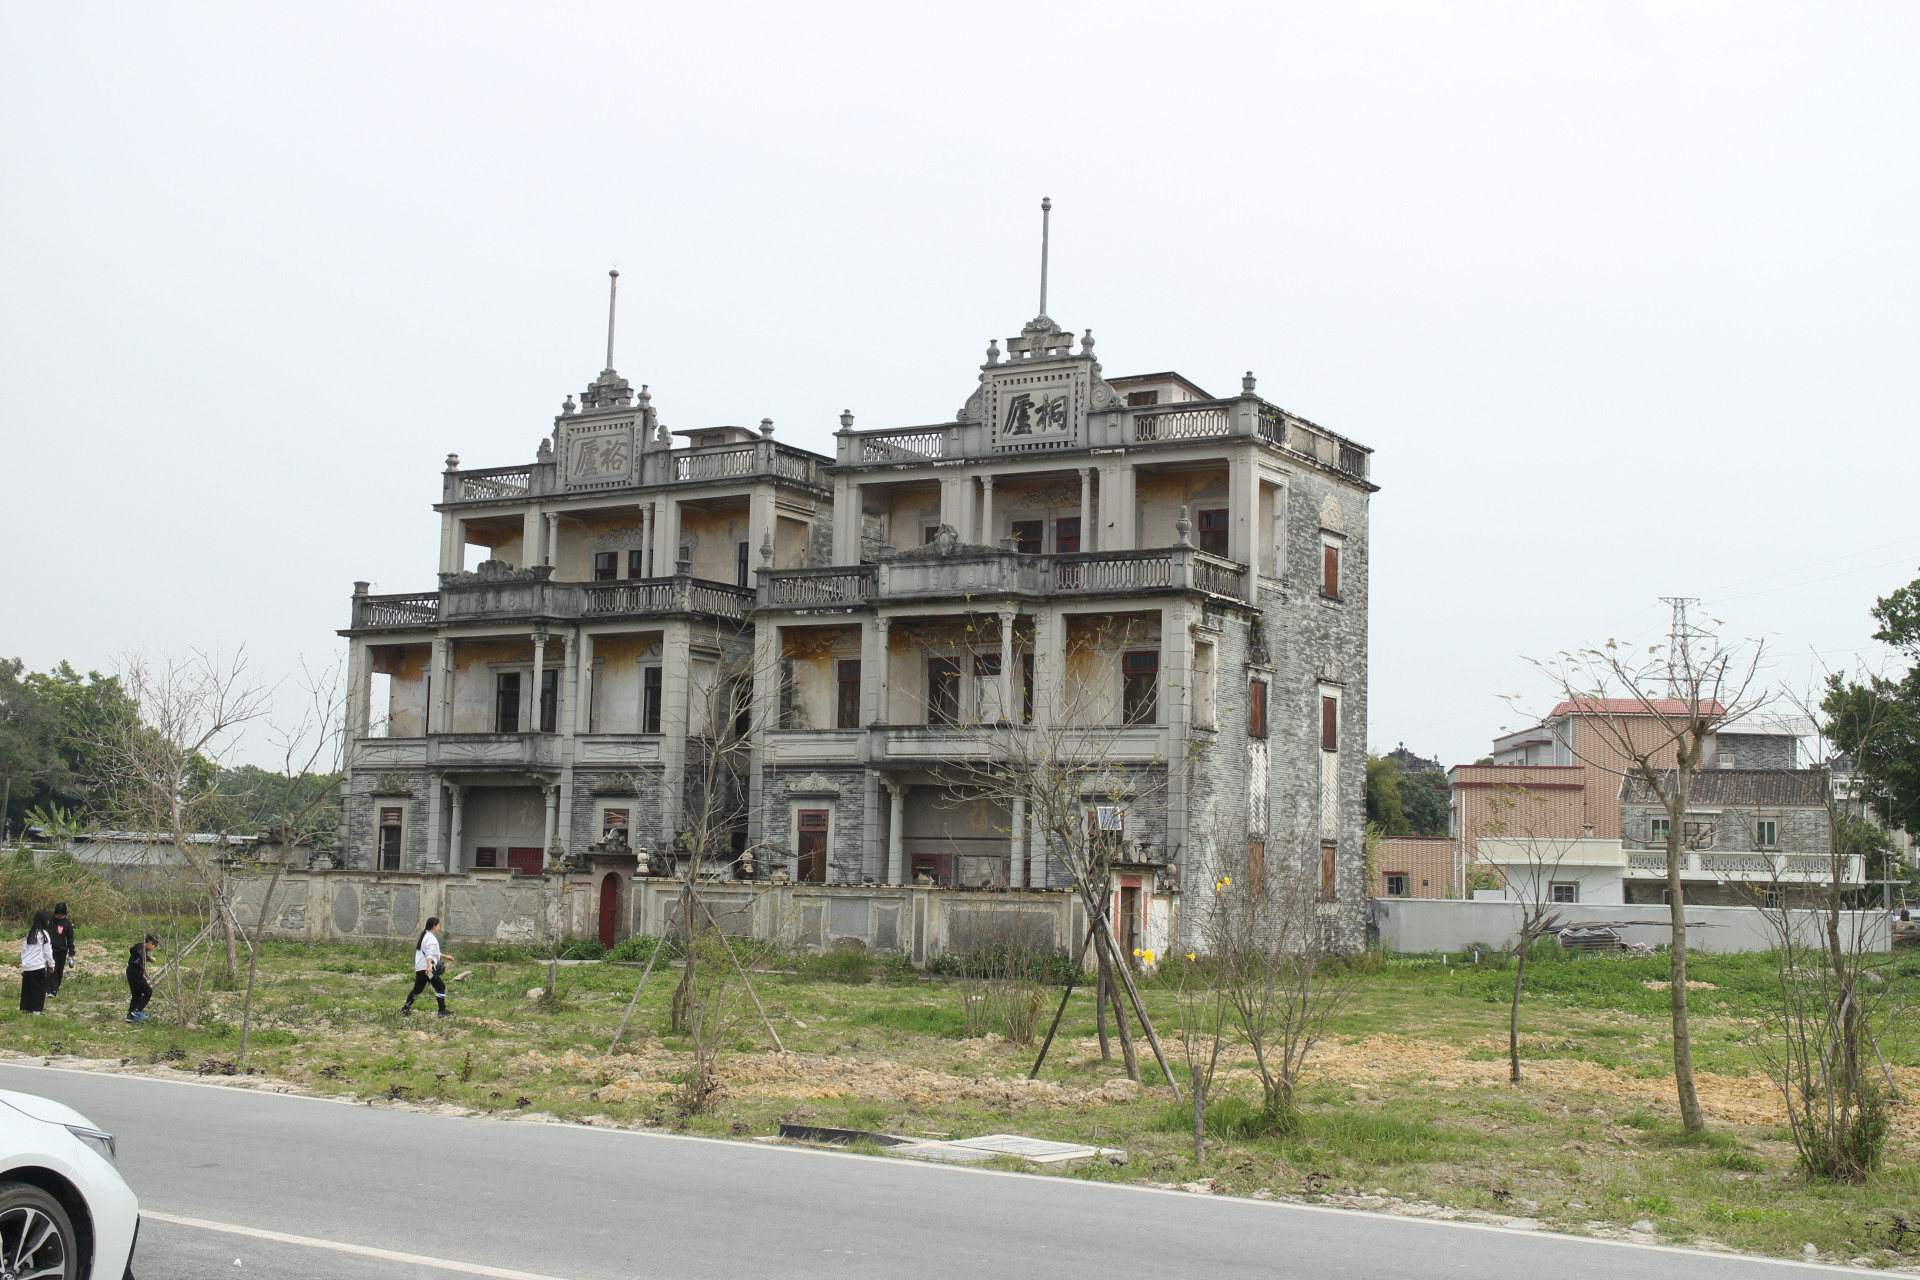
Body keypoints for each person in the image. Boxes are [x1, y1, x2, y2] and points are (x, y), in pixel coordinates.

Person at [402, 918, 450, 1018]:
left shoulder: (426, 936)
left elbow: (433, 952)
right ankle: (442, 1010)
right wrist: (429, 966)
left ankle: (405, 1008)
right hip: (428, 970)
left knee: (417, 990)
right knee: (440, 986)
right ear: (434, 926)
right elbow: (429, 953)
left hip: (421, 969)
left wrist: (445, 956)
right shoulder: (430, 938)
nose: (439, 928)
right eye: (438, 925)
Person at [19, 911, 53, 1014]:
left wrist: (24, 962)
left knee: (28, 989)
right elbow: (48, 951)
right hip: (38, 965)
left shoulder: (29, 934)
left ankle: (27, 1008)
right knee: (39, 988)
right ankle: (37, 1010)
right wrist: (51, 964)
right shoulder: (43, 934)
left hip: (28, 966)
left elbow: (24, 950)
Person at [126, 935, 157, 1023]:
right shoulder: (140, 947)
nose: (153, 948)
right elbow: (139, 953)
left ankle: (130, 1016)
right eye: (154, 946)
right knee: (148, 991)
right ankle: (137, 1011)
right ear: (150, 943)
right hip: (135, 974)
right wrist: (149, 958)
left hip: (134, 973)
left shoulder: (142, 949)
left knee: (137, 994)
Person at [46, 903, 76, 996]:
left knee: (59, 970)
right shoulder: (50, 921)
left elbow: (70, 938)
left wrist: (71, 952)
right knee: (52, 969)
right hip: (51, 949)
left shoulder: (67, 923)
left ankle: (55, 988)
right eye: (58, 914)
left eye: (61, 914)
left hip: (62, 950)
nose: (60, 916)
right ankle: (50, 989)